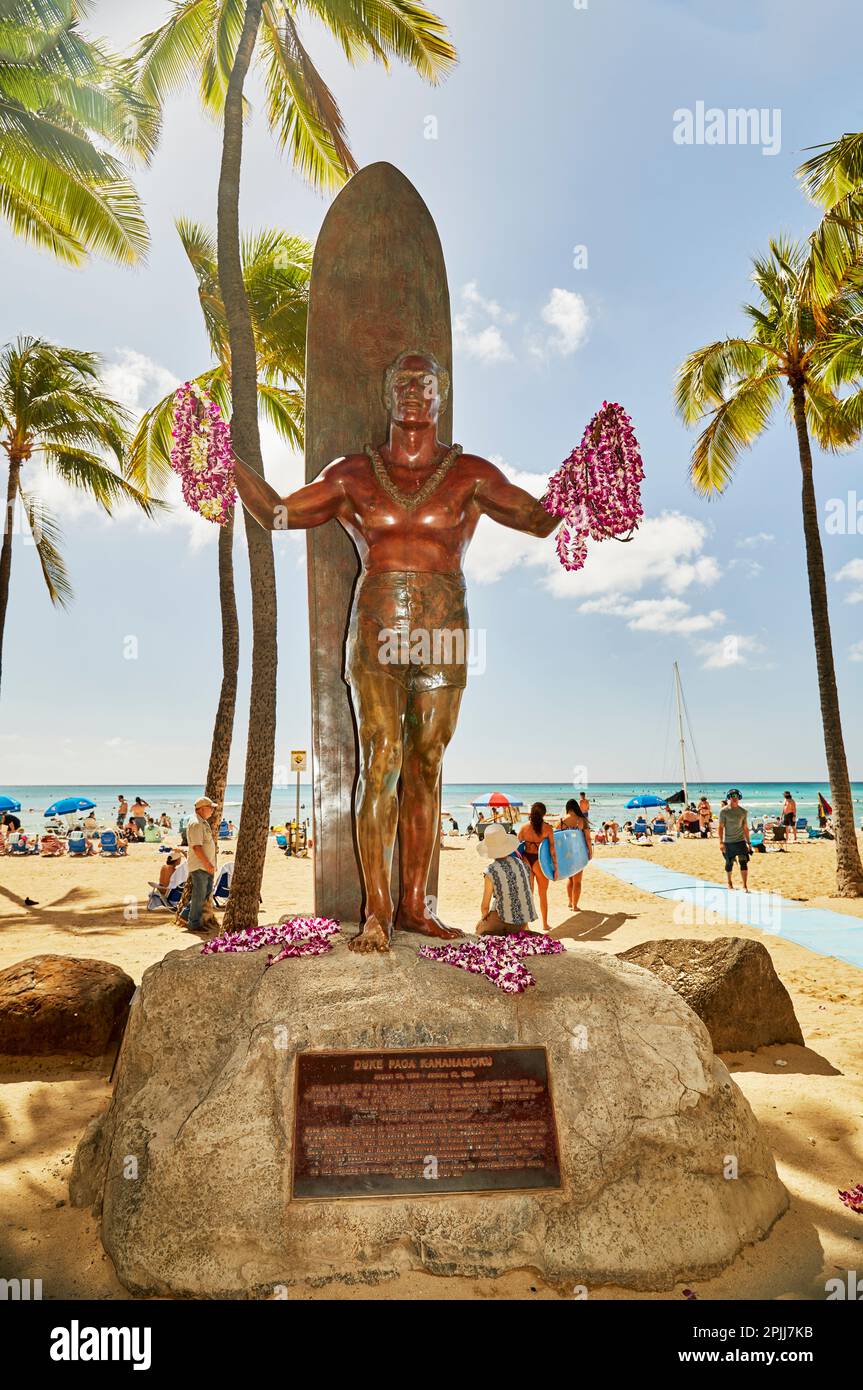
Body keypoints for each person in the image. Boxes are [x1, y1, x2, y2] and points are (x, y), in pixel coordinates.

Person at [232, 348, 561, 954]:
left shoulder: (472, 475)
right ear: (388, 396)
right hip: (379, 620)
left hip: (444, 623)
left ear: (441, 394)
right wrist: (226, 464)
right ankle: (376, 913)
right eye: (402, 383)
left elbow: (539, 520)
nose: (414, 392)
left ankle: (416, 906)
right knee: (382, 759)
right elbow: (278, 513)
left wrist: (591, 479)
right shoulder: (351, 473)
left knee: (427, 763)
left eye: (425, 383)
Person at [476, 824, 538, 936]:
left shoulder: (491, 871)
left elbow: (484, 907)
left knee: (479, 928)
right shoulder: (521, 863)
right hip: (522, 922)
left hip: (502, 919)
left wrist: (484, 921)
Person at [517, 801, 557, 933]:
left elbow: (516, 848)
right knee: (543, 894)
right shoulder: (548, 828)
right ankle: (545, 924)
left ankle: (526, 925)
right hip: (540, 862)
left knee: (529, 894)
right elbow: (552, 850)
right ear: (543, 814)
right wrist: (555, 868)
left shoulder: (524, 827)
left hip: (526, 860)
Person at [180, 796, 217, 933]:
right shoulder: (196, 823)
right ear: (201, 809)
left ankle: (185, 915)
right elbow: (197, 847)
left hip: (206, 865)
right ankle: (193, 924)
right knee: (199, 894)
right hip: (200, 865)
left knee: (205, 892)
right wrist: (207, 863)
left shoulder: (203, 822)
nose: (212, 810)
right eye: (210, 807)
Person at [560, 798, 593, 911]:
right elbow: (588, 839)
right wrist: (590, 852)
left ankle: (570, 902)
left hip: (566, 854)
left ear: (568, 808)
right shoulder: (581, 820)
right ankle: (575, 905)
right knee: (577, 881)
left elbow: (556, 838)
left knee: (570, 879)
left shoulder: (562, 821)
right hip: (579, 853)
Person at [718, 788, 751, 891]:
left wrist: (749, 843)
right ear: (729, 798)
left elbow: (745, 828)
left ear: (739, 797)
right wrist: (721, 843)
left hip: (740, 841)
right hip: (728, 842)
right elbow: (720, 827)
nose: (734, 798)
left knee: (743, 862)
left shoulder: (743, 812)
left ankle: (745, 885)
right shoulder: (724, 811)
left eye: (736, 796)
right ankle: (729, 883)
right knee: (729, 863)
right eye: (732, 796)